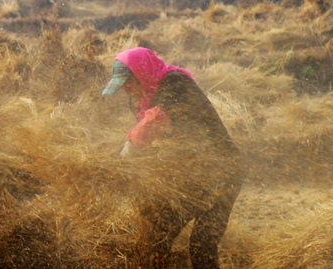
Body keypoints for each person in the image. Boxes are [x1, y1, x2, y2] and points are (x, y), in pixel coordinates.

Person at [102, 47, 243, 269]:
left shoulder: (174, 84)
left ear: (141, 74)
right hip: (197, 171)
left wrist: (123, 156)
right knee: (160, 232)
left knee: (201, 242)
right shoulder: (146, 99)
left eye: (129, 84)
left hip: (223, 170)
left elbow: (150, 126)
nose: (128, 92)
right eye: (124, 89)